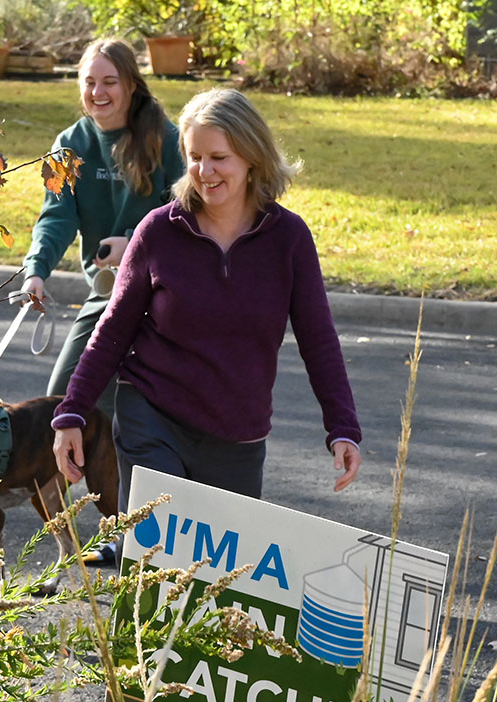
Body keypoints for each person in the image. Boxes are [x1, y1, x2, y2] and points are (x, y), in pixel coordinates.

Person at [52, 87, 362, 530]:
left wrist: (343, 427)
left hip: (237, 435)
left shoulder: (289, 239)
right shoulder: (158, 231)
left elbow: (319, 340)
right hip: (152, 417)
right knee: (153, 562)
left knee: (213, 587)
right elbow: (113, 330)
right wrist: (72, 412)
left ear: (252, 157)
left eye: (219, 157)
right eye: (195, 156)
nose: (204, 171)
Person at [20, 37, 184, 565]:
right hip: (106, 296)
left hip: (166, 296)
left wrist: (134, 238)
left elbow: (191, 215)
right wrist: (36, 271)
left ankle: (145, 540)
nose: (98, 91)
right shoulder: (69, 143)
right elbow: (56, 216)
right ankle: (76, 541)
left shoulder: (166, 139)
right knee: (66, 404)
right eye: (89, 81)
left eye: (109, 81)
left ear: (131, 84)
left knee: (137, 418)